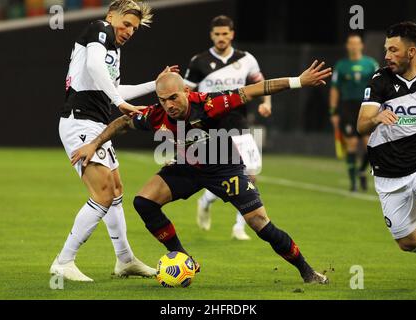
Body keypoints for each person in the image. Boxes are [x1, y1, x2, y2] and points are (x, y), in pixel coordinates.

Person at [71, 60, 332, 284]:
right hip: (188, 168)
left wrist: (299, 81)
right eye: (163, 100)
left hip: (224, 167)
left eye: (174, 97)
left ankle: (307, 272)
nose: (169, 105)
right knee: (144, 202)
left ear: (185, 90)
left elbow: (256, 89)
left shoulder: (210, 104)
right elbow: (124, 121)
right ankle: (184, 259)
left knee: (258, 223)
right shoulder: (157, 115)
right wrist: (94, 144)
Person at [50, 0, 176, 281]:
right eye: (127, 23)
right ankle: (63, 261)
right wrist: (118, 102)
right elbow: (96, 68)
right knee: (104, 192)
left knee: (116, 190)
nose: (130, 31)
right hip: (79, 120)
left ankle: (125, 259)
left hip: (95, 123)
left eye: (134, 28)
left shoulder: (112, 50)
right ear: (110, 15)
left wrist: (155, 85)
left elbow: (114, 87)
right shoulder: (100, 29)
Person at [184, 15, 272, 240]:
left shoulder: (246, 59)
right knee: (219, 177)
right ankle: (205, 200)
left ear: (232, 34)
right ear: (211, 35)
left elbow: (261, 83)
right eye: (217, 34)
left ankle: (239, 227)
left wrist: (266, 103)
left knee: (251, 174)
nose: (221, 38)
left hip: (239, 125)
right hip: (210, 129)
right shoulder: (199, 62)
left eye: (225, 34)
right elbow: (185, 95)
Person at [358, 22, 416, 256]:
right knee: (407, 241)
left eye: (393, 50)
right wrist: (377, 118)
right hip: (389, 172)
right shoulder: (380, 80)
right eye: (386, 49)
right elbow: (362, 125)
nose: (387, 55)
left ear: (411, 52)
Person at [330, 33, 379, 192]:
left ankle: (361, 170)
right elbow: (335, 89)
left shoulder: (371, 64)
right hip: (347, 108)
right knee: (351, 144)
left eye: (356, 43)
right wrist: (334, 112)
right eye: (350, 43)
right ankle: (353, 183)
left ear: (361, 45)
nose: (353, 46)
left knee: (368, 144)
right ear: (347, 46)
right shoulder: (341, 66)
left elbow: (380, 85)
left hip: (367, 106)